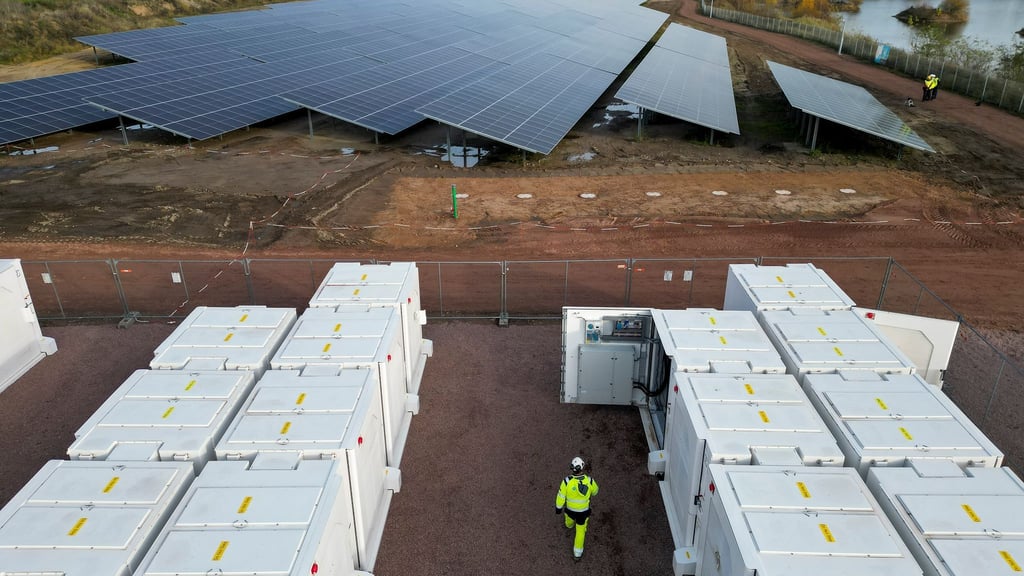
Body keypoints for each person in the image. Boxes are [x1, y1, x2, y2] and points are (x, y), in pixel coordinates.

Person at [555, 456, 599, 561]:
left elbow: (561, 496)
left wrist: (558, 508)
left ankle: (569, 525)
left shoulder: (566, 482)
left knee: (569, 523)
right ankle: (577, 553)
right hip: (583, 513)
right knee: (580, 532)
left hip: (570, 511)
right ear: (582, 467)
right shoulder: (590, 481)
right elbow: (595, 492)